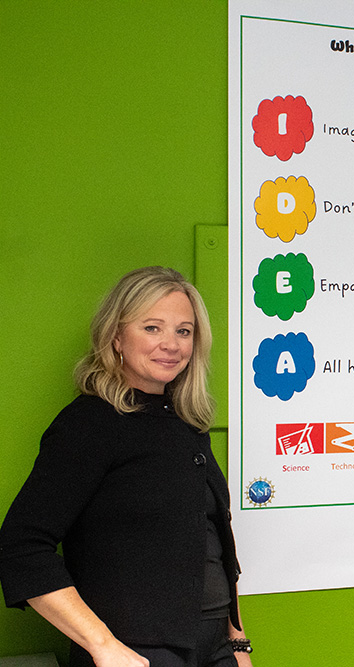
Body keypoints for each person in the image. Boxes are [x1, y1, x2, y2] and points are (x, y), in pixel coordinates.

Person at [0, 267, 253, 667]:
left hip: (213, 647)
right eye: (152, 328)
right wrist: (101, 644)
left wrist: (237, 645)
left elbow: (214, 540)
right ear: (116, 336)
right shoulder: (89, 424)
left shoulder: (187, 423)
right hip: (138, 652)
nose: (171, 344)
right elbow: (22, 547)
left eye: (184, 331)